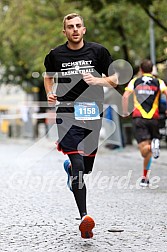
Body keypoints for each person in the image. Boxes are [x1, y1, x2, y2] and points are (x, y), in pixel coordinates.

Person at [44, 13, 118, 238]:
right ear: (64, 31)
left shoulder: (98, 52)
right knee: (77, 164)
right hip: (66, 112)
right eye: (70, 27)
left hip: (92, 111)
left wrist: (98, 81)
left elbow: (114, 79)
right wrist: (50, 92)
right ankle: (85, 217)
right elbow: (48, 76)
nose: (75, 29)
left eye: (78, 26)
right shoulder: (55, 55)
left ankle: (70, 170)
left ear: (84, 30)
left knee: (85, 167)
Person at [122, 59, 167, 187]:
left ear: (141, 70)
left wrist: (125, 112)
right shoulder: (159, 82)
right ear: (152, 69)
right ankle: (145, 177)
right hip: (154, 118)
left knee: (144, 151)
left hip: (139, 118)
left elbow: (125, 96)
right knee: (148, 152)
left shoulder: (135, 81)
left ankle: (153, 146)